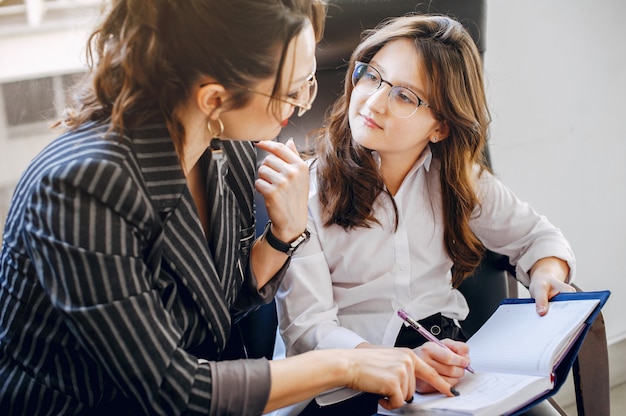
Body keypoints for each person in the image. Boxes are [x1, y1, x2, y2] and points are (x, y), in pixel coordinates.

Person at [0, 2, 462, 415]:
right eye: (292, 91)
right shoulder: (81, 188)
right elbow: (171, 389)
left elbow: (210, 309)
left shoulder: (226, 149)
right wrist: (347, 363)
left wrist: (283, 234)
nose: (303, 105)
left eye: (308, 81)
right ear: (214, 99)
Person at [275, 13, 576, 415]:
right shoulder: (309, 192)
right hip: (345, 380)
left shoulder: (457, 181)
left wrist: (547, 274)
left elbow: (537, 237)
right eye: (372, 76)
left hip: (443, 360)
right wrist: (396, 363)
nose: (374, 102)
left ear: (441, 127)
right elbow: (308, 330)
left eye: (405, 96)